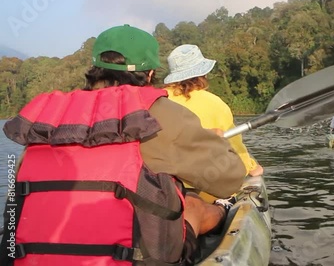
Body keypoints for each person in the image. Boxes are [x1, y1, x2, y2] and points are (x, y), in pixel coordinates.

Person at [0, 24, 246, 266]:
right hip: (132, 260)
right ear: (149, 74)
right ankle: (224, 212)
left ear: (95, 68)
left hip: (29, 259)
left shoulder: (49, 121)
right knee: (192, 204)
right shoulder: (159, 114)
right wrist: (213, 140)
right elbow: (230, 179)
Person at [163, 44, 263, 203]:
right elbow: (234, 146)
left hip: (165, 185)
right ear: (203, 74)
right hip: (205, 184)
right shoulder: (215, 104)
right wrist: (251, 167)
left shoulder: (158, 100)